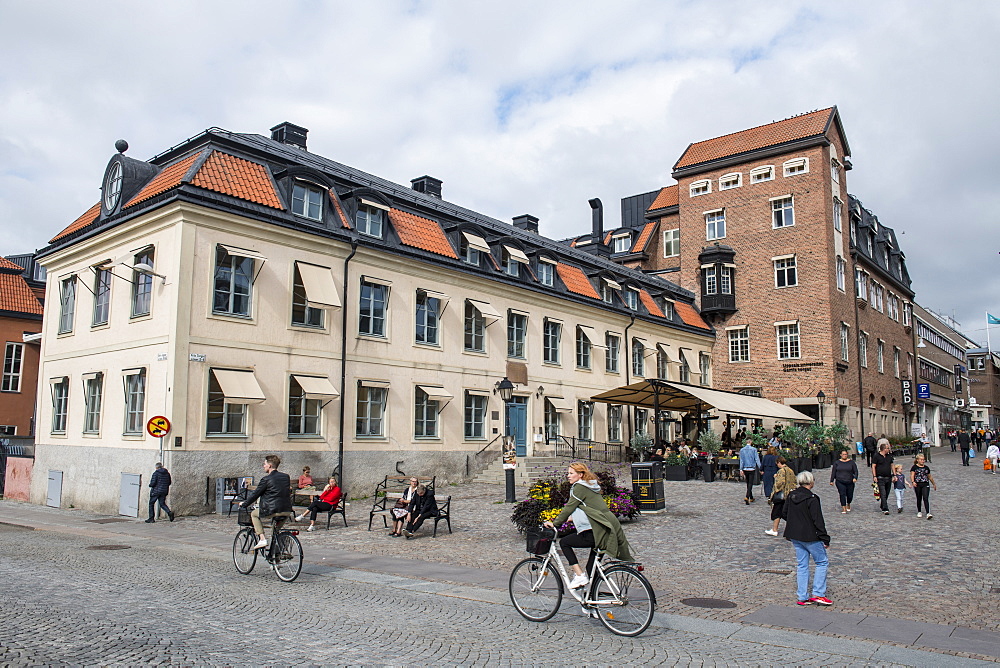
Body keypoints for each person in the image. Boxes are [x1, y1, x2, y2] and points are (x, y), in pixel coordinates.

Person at [543, 462, 633, 590]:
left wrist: (555, 523)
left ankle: (579, 575)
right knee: (591, 572)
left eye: (571, 473)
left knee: (564, 543)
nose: (568, 476)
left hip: (597, 531)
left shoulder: (579, 487)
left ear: (580, 475)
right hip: (607, 528)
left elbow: (569, 507)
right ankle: (591, 603)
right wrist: (573, 518)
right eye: (568, 473)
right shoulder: (590, 486)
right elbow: (590, 507)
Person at [782, 471, 831, 606]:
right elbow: (818, 521)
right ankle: (818, 593)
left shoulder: (792, 495)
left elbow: (784, 513)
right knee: (822, 562)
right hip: (811, 536)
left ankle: (802, 595)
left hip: (795, 535)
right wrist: (825, 538)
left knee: (802, 565)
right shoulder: (812, 498)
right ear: (810, 482)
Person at [240, 455, 294, 550]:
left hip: (272, 510)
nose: (263, 466)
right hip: (286, 510)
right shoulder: (286, 477)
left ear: (269, 465)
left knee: (254, 514)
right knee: (276, 533)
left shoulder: (266, 479)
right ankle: (276, 558)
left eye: (264, 464)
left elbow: (255, 494)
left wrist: (244, 504)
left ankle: (262, 538)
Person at [765, 457, 796, 537]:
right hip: (789, 494)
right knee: (785, 513)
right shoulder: (790, 470)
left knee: (777, 512)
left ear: (779, 462)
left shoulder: (781, 471)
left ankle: (775, 529)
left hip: (781, 496)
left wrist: (776, 477)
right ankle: (792, 529)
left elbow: (780, 483)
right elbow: (795, 482)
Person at [829, 449, 858, 513]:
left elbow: (855, 471)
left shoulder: (851, 462)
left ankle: (848, 503)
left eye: (846, 454)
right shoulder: (837, 463)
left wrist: (855, 477)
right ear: (841, 455)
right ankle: (844, 507)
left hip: (850, 481)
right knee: (842, 494)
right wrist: (831, 480)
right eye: (843, 454)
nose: (844, 455)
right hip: (840, 481)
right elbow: (833, 472)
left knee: (849, 495)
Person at [910, 453, 938, 519]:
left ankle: (928, 512)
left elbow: (929, 476)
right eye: (921, 460)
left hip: (925, 484)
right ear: (917, 460)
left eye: (923, 460)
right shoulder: (914, 467)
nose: (923, 461)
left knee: (925, 498)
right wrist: (913, 481)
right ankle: (919, 511)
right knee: (919, 498)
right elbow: (912, 475)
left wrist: (933, 483)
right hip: (918, 484)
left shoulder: (926, 468)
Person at [871, 439, 894, 515]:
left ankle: (882, 504)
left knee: (887, 493)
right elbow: (873, 466)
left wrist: (894, 474)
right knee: (883, 493)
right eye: (887, 448)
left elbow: (892, 465)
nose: (888, 449)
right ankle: (885, 508)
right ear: (884, 449)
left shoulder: (889, 456)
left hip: (888, 477)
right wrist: (874, 476)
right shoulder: (876, 456)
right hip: (880, 477)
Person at [739, 438, 762, 504]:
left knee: (748, 482)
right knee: (750, 483)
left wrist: (741, 469)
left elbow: (741, 460)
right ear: (751, 442)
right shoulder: (754, 449)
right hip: (751, 468)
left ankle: (751, 497)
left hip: (745, 468)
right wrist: (760, 468)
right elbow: (757, 459)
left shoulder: (742, 450)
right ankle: (747, 496)